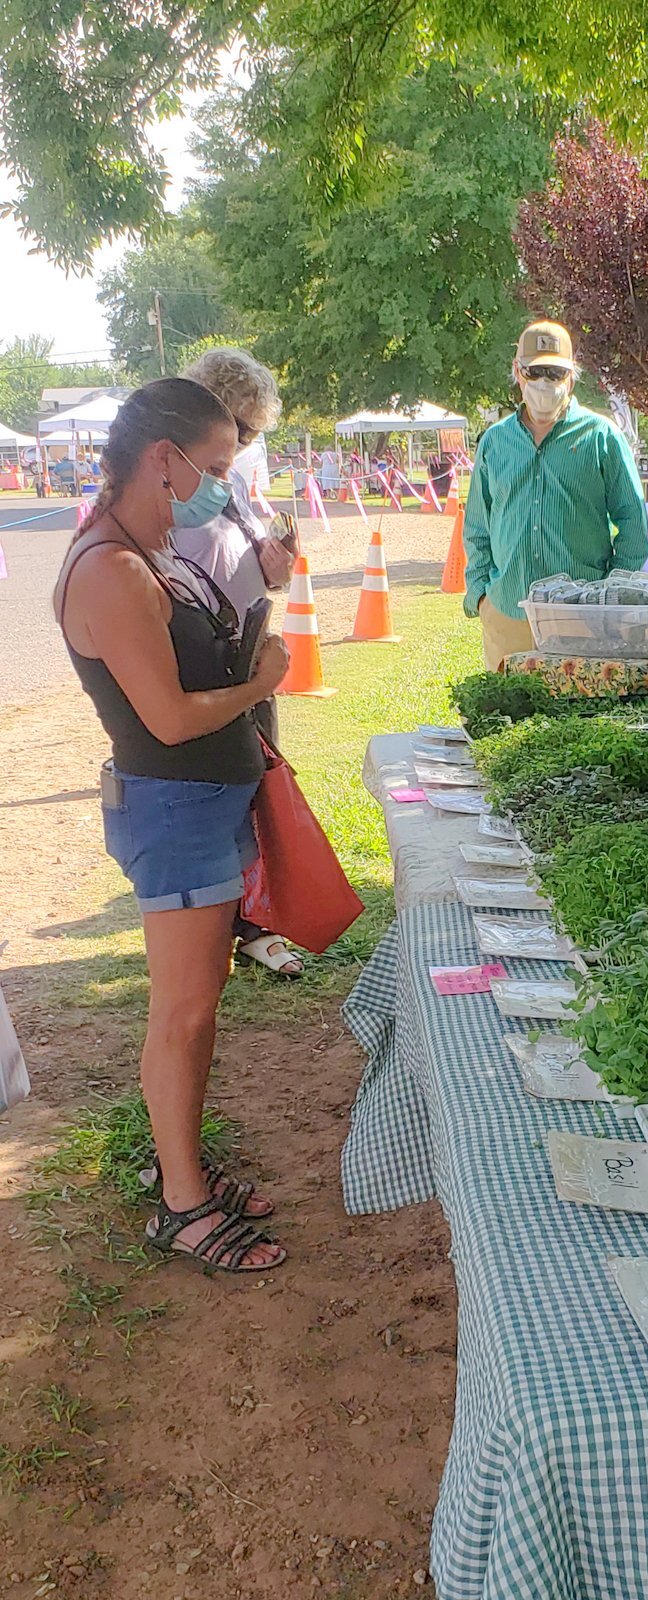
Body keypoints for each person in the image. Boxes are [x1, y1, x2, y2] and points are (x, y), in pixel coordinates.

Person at [54, 378, 288, 1272]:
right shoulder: (110, 568)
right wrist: (260, 685)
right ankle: (182, 1204)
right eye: (216, 468)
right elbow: (170, 719)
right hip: (175, 803)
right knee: (182, 1013)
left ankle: (182, 1167)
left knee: (198, 1007)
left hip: (198, 804)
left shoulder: (138, 553)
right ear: (166, 462)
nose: (221, 487)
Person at [176, 347, 303, 980]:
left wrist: (272, 563)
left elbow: (238, 569)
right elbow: (195, 585)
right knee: (227, 796)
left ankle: (251, 920)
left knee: (255, 789)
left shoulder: (226, 482)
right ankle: (235, 924)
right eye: (239, 427)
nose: (246, 441)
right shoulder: (181, 490)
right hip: (218, 664)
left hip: (249, 659)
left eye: (252, 432)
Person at [462, 320, 648, 671]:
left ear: (572, 377)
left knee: (577, 720)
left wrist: (610, 598)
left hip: (583, 618)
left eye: (555, 372)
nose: (545, 383)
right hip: (506, 612)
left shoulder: (602, 436)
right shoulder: (494, 442)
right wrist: (481, 596)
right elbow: (477, 528)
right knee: (508, 720)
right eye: (536, 372)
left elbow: (633, 523)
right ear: (518, 372)